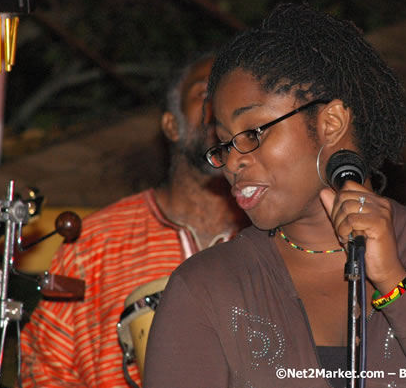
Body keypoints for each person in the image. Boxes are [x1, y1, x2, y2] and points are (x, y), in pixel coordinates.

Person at [144, 4, 406, 388]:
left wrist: (396, 286)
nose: (232, 162)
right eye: (225, 144)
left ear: (330, 122)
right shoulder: (205, 288)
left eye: (253, 133)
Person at [20, 52, 247, 388]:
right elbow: (44, 367)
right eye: (206, 95)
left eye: (236, 98)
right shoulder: (94, 242)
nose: (222, 108)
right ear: (172, 125)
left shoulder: (280, 239)